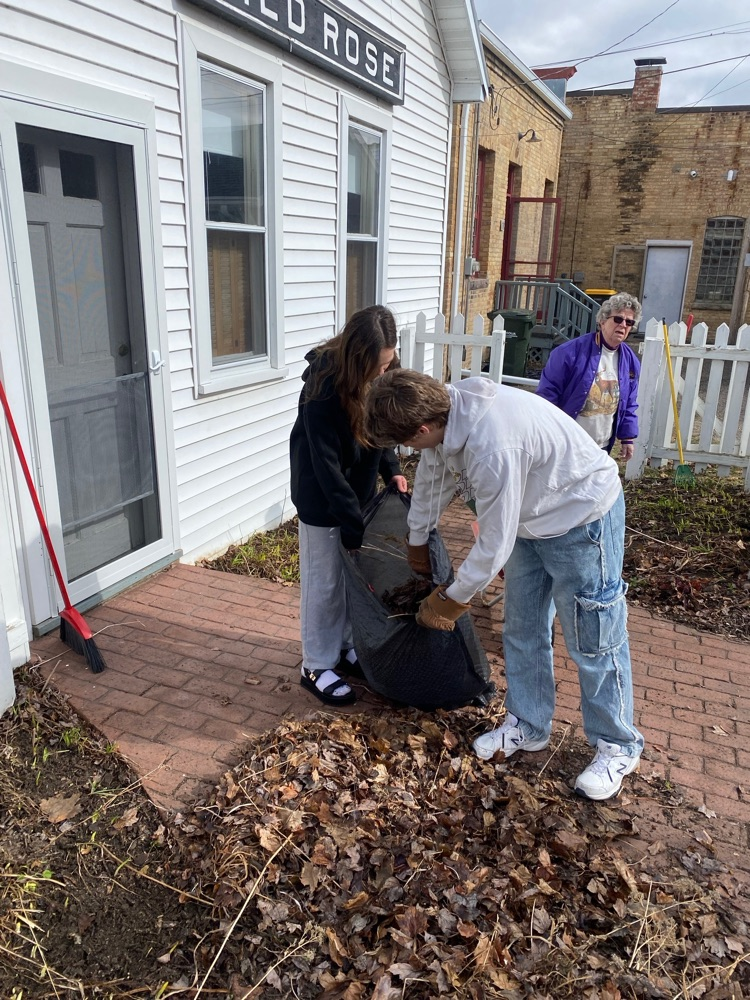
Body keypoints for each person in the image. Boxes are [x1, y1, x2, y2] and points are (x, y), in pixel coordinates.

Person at [365, 369, 644, 801]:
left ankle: (618, 744)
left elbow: (493, 543)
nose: (410, 451)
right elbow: (433, 481)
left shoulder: (493, 445)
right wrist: (417, 538)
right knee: (522, 626)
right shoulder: (445, 417)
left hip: (581, 517)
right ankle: (528, 724)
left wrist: (450, 601)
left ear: (422, 428)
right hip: (530, 523)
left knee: (594, 637)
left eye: (408, 443)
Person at [290, 306, 408, 707]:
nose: (384, 371)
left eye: (388, 362)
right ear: (359, 358)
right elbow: (325, 466)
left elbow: (381, 427)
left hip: (356, 492)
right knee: (323, 583)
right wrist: (351, 522)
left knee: (347, 579)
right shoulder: (322, 387)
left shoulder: (377, 373)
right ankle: (315, 665)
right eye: (379, 365)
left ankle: (341, 648)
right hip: (321, 496)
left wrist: (392, 470)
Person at [536, 292, 642, 461]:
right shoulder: (568, 353)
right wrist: (548, 435)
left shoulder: (630, 361)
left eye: (629, 322)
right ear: (602, 321)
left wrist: (627, 437)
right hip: (568, 444)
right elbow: (547, 397)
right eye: (618, 319)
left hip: (601, 448)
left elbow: (629, 402)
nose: (623, 325)